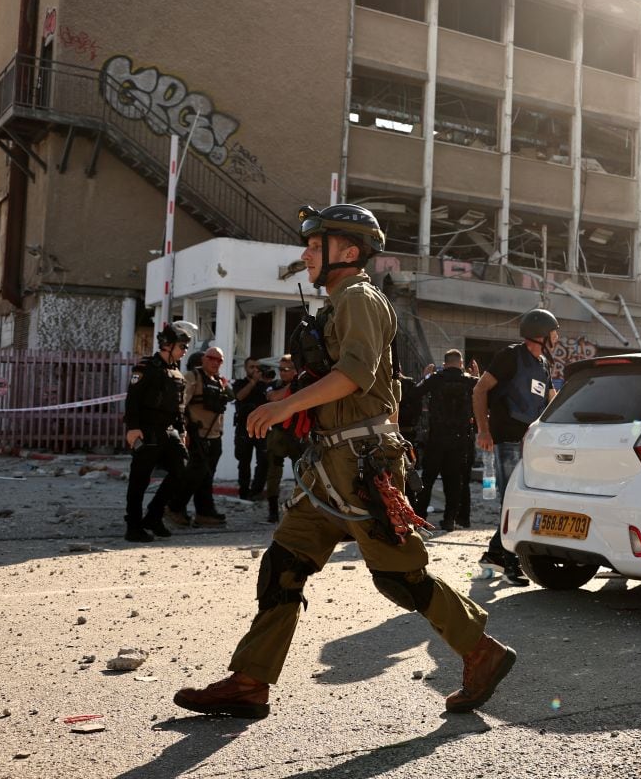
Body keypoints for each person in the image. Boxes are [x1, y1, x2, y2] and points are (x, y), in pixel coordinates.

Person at [174, 203, 512, 720]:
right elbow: (380, 385)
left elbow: (356, 374)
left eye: (316, 245)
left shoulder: (357, 296)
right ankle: (250, 682)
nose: (306, 254)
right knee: (282, 567)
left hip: (359, 470)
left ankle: (480, 651)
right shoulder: (338, 304)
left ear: (349, 252)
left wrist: (284, 404)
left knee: (401, 577)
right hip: (330, 467)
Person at [471, 308, 560, 586]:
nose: (558, 337)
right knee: (513, 504)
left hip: (529, 447)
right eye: (555, 331)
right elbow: (479, 390)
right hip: (506, 442)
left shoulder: (544, 364)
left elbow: (552, 402)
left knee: (525, 503)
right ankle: (510, 565)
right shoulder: (510, 356)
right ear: (542, 333)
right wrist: (483, 430)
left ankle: (495, 555)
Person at [122, 321, 196, 542]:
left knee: (181, 471)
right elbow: (132, 399)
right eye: (182, 347)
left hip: (169, 431)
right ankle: (133, 526)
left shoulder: (175, 372)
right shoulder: (147, 368)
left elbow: (179, 406)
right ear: (168, 345)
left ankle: (154, 516)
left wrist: (182, 430)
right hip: (147, 430)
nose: (184, 352)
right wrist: (132, 428)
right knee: (139, 479)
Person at [412, 349, 478, 531]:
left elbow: (415, 394)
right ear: (461, 363)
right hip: (460, 440)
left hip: (437, 437)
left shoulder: (434, 379)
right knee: (454, 481)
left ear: (444, 363)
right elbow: (483, 394)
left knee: (428, 479)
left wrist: (425, 377)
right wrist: (477, 376)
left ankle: (420, 517)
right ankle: (449, 520)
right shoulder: (470, 381)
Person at [175, 347, 233, 528]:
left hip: (214, 436)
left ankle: (205, 512)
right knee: (194, 474)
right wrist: (183, 431)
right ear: (204, 359)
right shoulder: (193, 377)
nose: (215, 363)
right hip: (197, 434)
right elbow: (180, 404)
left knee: (206, 477)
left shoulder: (218, 381)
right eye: (211, 358)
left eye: (219, 360)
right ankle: (175, 507)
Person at [263, 355, 304, 524]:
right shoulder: (276, 385)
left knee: (301, 475)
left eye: (285, 370)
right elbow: (273, 397)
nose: (281, 373)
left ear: (295, 371)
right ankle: (273, 511)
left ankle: (301, 510)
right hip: (278, 435)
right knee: (273, 474)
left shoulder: (301, 385)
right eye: (280, 369)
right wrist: (292, 389)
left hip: (297, 434)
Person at [233, 356, 272, 501]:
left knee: (264, 460)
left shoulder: (264, 385)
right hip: (244, 428)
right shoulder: (240, 383)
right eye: (252, 367)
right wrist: (253, 382)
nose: (255, 370)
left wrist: (266, 383)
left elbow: (272, 398)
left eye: (258, 367)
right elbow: (239, 396)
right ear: (245, 368)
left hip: (262, 427)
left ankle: (256, 492)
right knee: (244, 462)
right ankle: (244, 492)